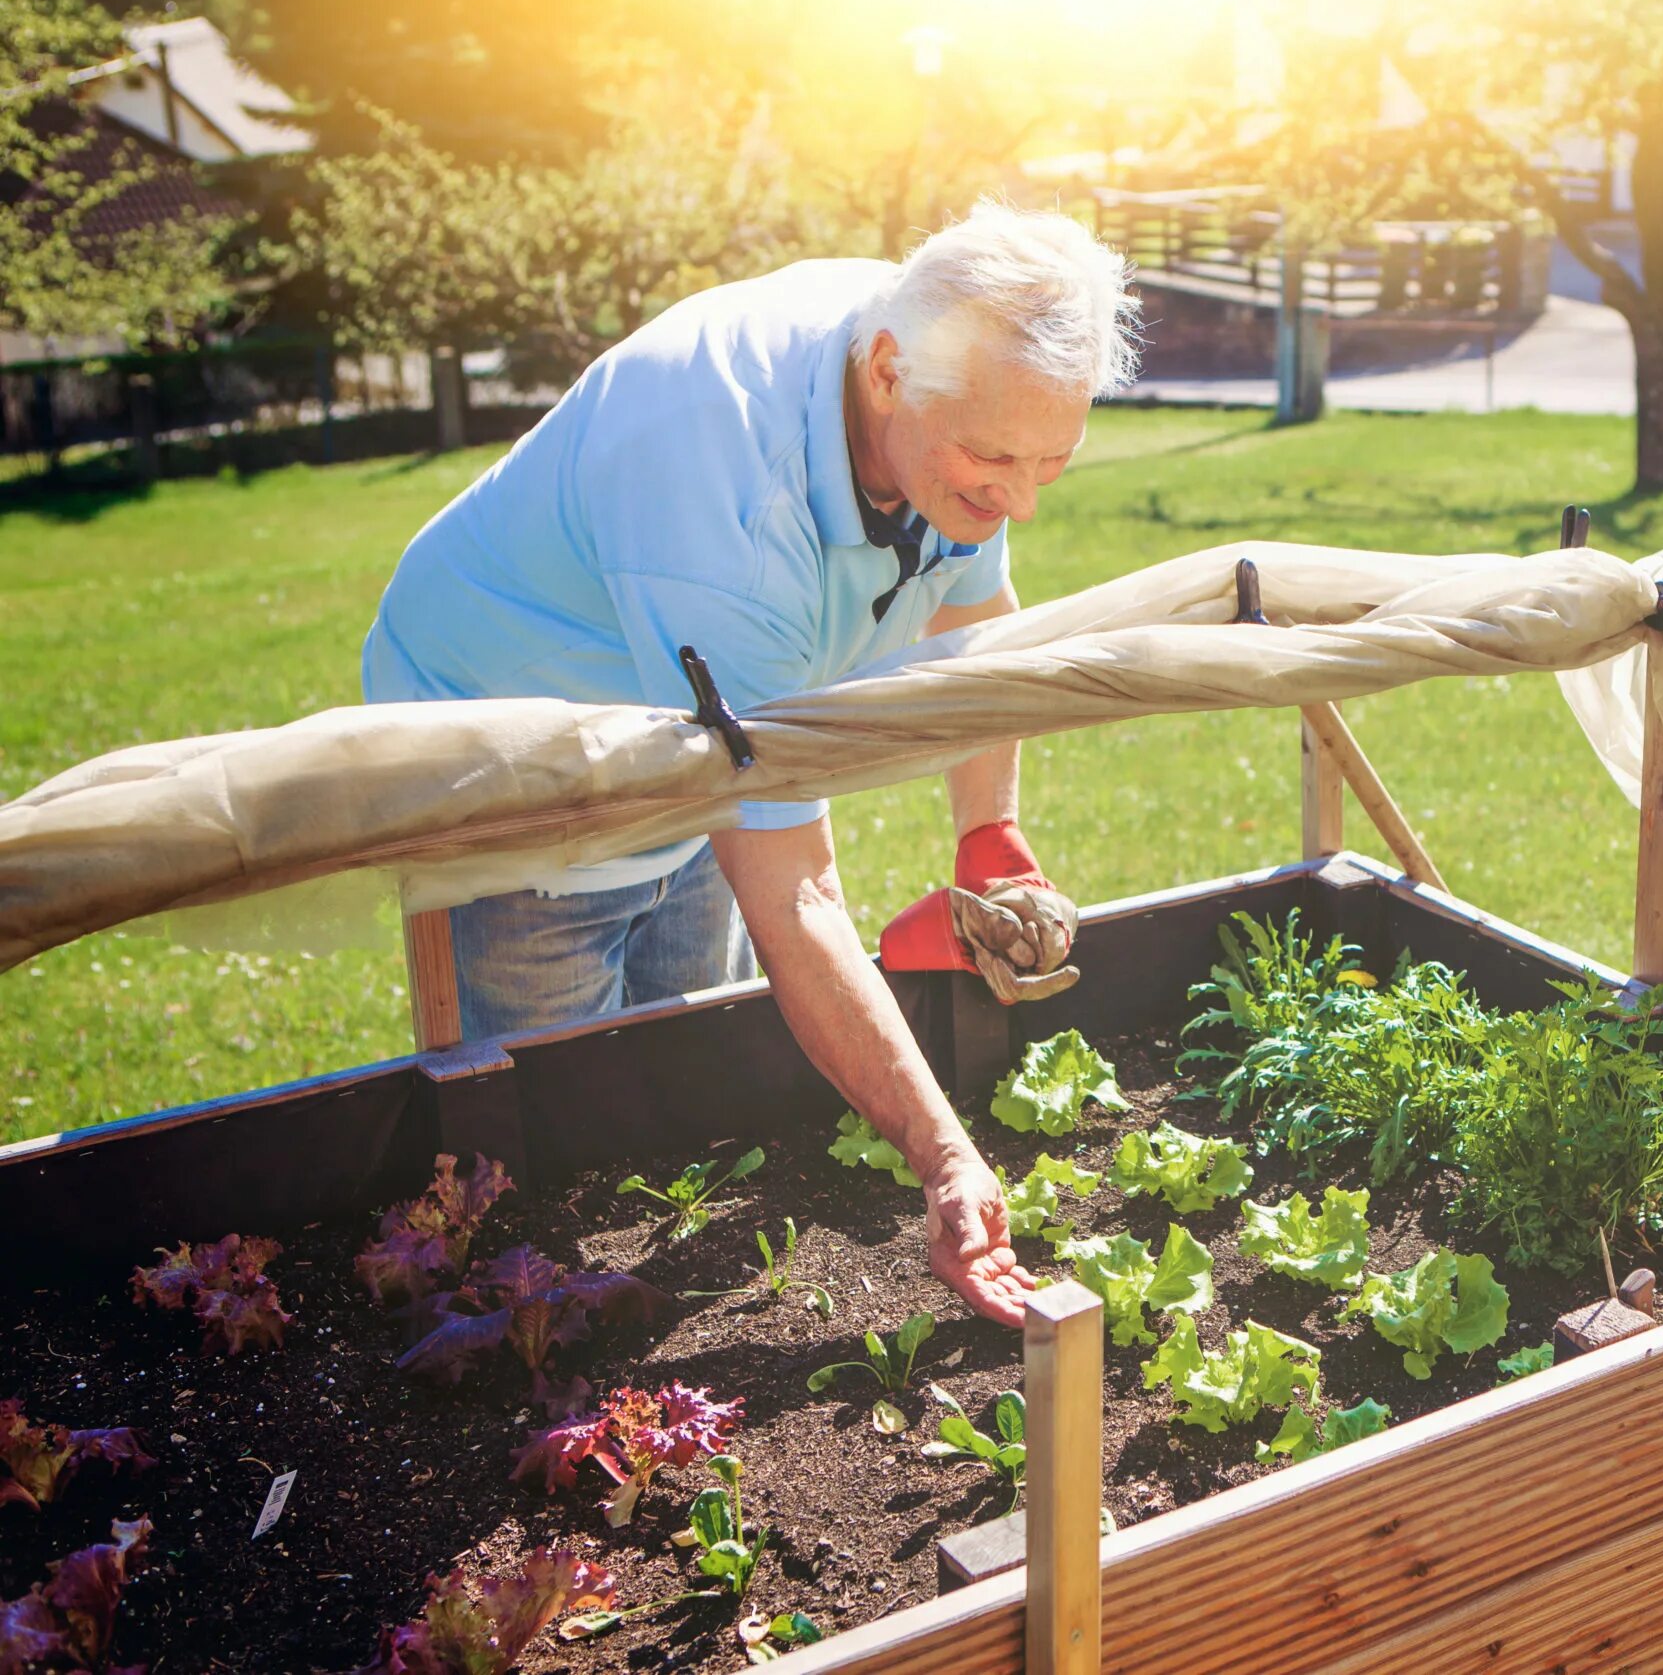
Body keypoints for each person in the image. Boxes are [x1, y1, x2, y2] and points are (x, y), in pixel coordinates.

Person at [361, 202, 1139, 1327]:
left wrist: (991, 835)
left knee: (684, 1084)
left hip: (689, 710)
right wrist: (946, 1157)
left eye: (1050, 465)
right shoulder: (727, 504)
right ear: (885, 374)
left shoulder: (964, 367)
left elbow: (975, 620)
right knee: (558, 1131)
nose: (1016, 499)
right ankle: (546, 1350)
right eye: (995, 464)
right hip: (511, 763)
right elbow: (798, 893)